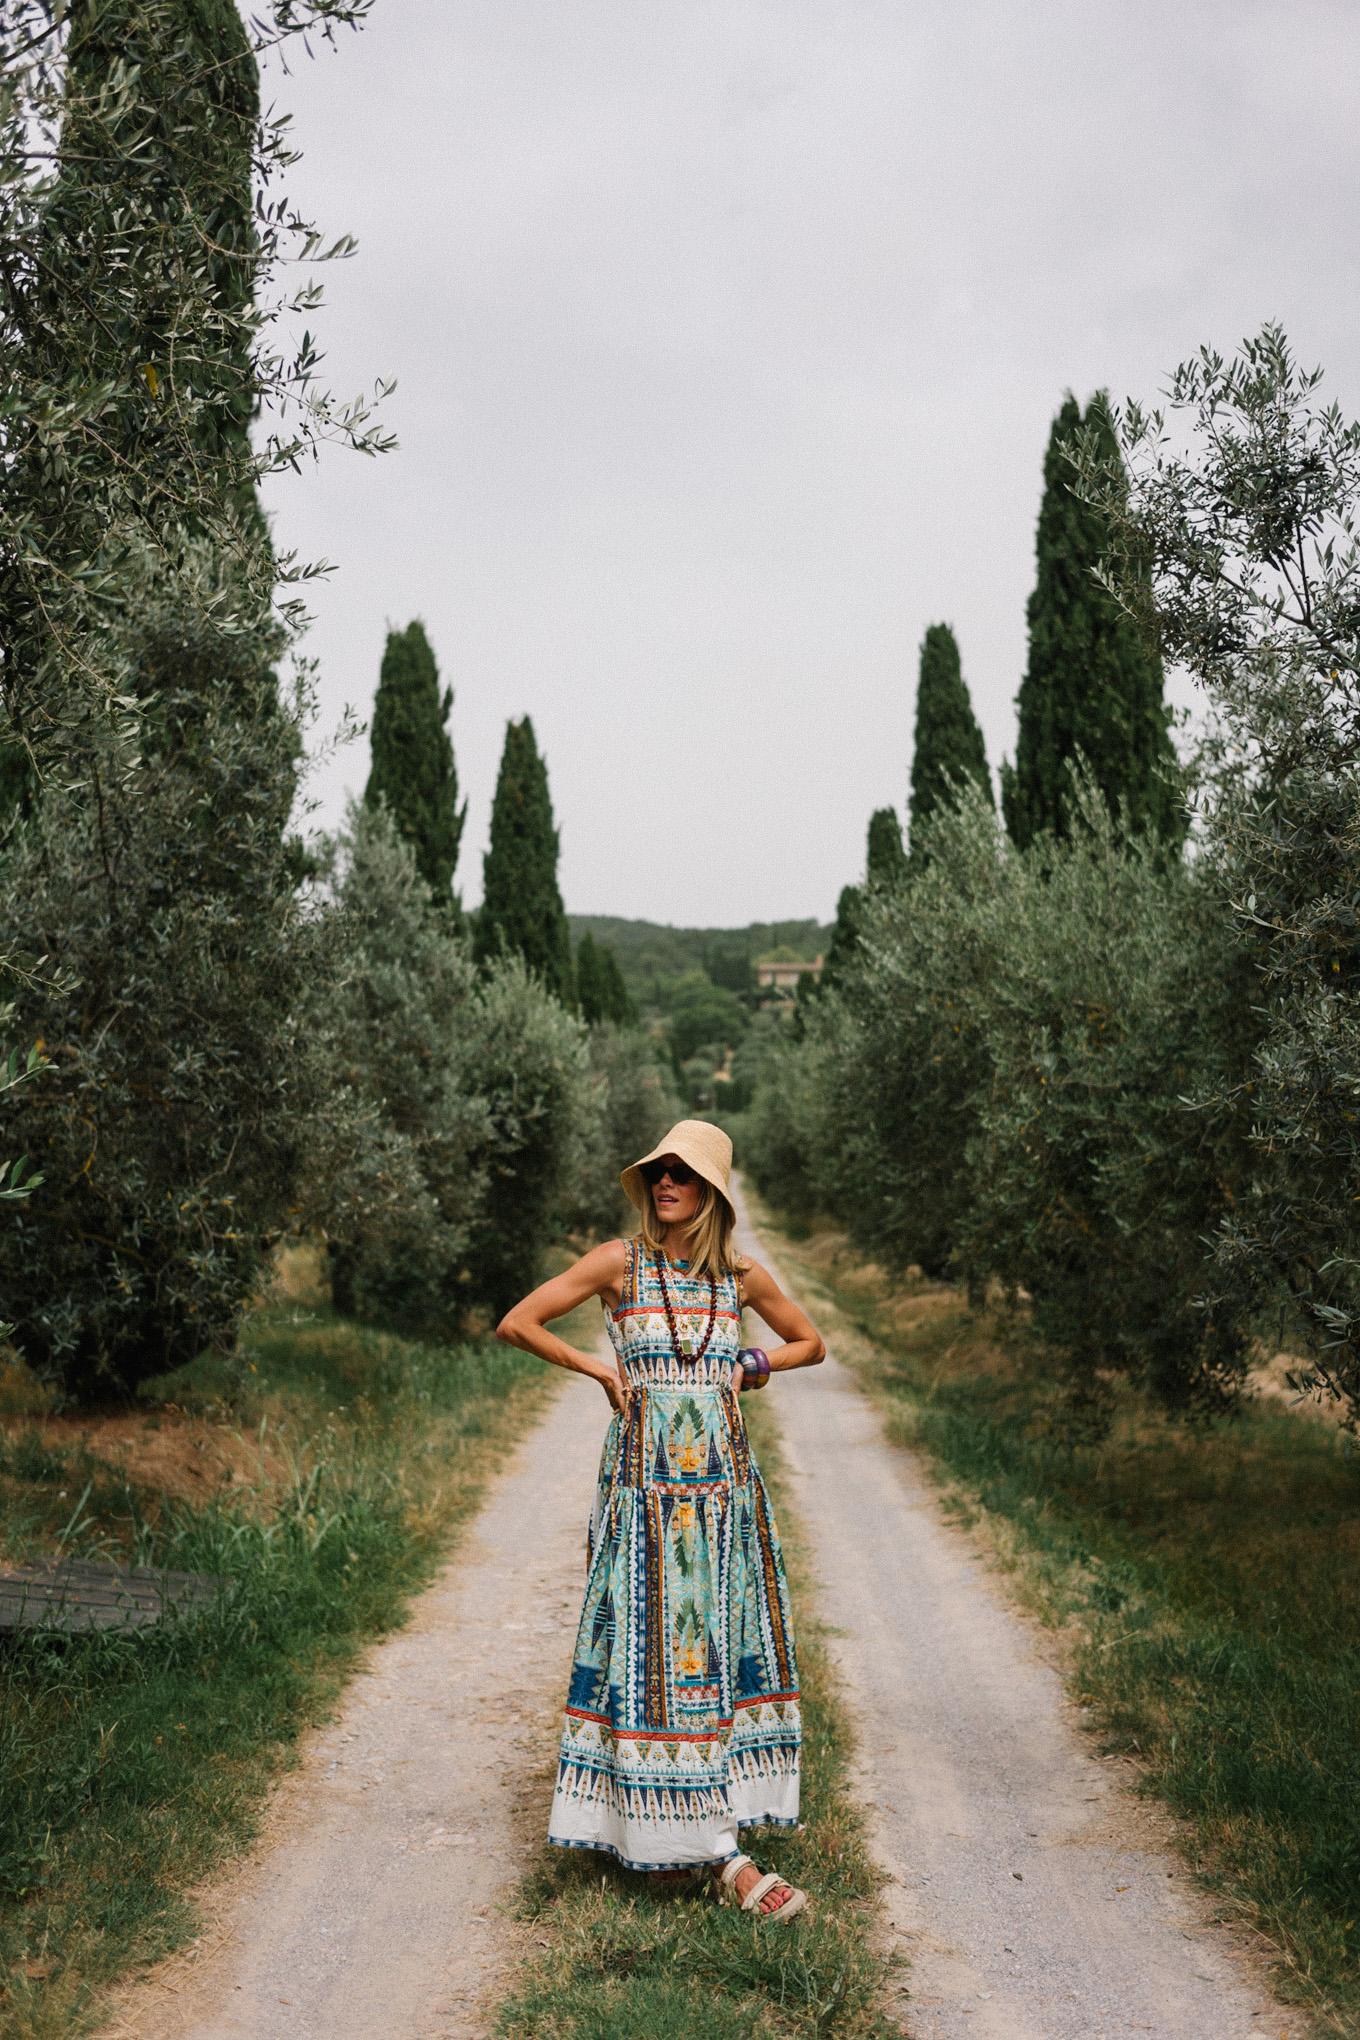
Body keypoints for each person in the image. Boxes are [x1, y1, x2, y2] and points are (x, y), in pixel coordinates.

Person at [497, 1119, 825, 1922]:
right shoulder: (621, 1263)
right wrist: (594, 1366)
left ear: (710, 1189)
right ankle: (704, 1848)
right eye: (656, 1173)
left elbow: (810, 1342)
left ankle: (690, 1837)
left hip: (723, 1500)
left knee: (713, 1653)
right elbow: (518, 1321)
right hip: (644, 1496)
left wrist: (755, 1362)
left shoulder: (741, 1278)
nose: (664, 1184)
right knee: (646, 1661)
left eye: (680, 1173)